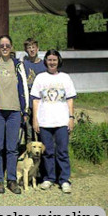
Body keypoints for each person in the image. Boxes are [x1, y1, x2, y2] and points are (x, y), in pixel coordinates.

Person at [0, 35, 29, 194]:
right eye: (1, 45)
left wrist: (25, 110)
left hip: (15, 112)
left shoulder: (18, 66)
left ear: (11, 46)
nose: (4, 47)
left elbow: (24, 88)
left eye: (7, 45)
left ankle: (11, 180)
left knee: (12, 148)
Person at [30, 49, 76, 194]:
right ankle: (48, 178)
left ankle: (64, 180)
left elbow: (70, 100)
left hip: (62, 121)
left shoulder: (65, 78)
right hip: (45, 121)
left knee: (62, 151)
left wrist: (71, 118)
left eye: (54, 60)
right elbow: (36, 101)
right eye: (49, 60)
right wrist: (35, 120)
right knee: (47, 152)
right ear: (46, 61)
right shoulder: (40, 78)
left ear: (58, 61)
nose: (52, 62)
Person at [22, 38, 46, 143]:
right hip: (28, 102)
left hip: (40, 102)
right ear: (26, 50)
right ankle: (29, 156)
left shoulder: (44, 65)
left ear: (37, 49)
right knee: (28, 132)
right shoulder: (23, 64)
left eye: (33, 47)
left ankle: (42, 156)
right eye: (29, 48)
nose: (32, 50)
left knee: (41, 131)